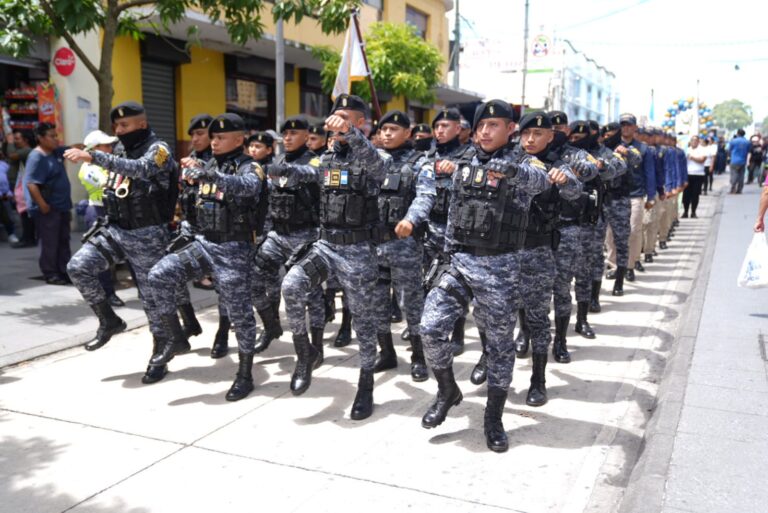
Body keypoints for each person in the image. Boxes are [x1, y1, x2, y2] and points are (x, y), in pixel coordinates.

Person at [419, 100, 554, 452]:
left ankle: (493, 416)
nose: (485, 131)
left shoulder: (524, 162)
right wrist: (446, 254)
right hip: (459, 261)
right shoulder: (463, 161)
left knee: (498, 346)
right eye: (481, 125)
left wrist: (510, 173)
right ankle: (448, 389)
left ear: (511, 130)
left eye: (494, 125)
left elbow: (541, 182)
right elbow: (454, 213)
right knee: (430, 327)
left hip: (500, 269)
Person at [280, 94, 390, 421]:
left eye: (344, 117)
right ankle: (305, 353)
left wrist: (351, 136)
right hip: (326, 246)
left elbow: (379, 169)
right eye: (334, 117)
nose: (335, 122)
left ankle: (366, 383)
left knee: (363, 321)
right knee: (291, 286)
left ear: (360, 123)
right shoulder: (327, 157)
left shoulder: (375, 154)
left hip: (358, 251)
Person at [148, 113, 268, 401]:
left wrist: (210, 175)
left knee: (240, 314)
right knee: (158, 275)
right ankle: (176, 338)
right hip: (202, 243)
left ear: (239, 140)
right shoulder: (208, 164)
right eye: (212, 137)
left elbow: (249, 187)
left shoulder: (250, 167)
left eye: (221, 137)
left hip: (233, 250)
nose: (214, 142)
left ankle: (245, 374)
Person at [64, 101, 179, 385]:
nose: (119, 130)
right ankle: (109, 320)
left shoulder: (160, 150)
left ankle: (160, 352)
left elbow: (141, 169)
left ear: (141, 123)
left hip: (147, 234)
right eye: (116, 126)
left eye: (124, 125)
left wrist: (93, 158)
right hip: (115, 229)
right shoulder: (119, 150)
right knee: (78, 267)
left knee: (151, 299)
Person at [508, 112, 582, 407]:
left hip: (539, 249)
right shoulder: (509, 159)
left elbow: (576, 189)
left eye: (538, 134)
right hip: (505, 249)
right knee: (499, 313)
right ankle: (492, 360)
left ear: (551, 136)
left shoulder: (559, 165)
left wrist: (564, 181)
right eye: (526, 133)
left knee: (539, 316)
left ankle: (538, 380)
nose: (530, 139)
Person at [251, 115, 326, 359]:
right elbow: (271, 200)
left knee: (311, 293)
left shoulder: (316, 160)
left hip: (305, 234)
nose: (289, 138)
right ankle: (271, 324)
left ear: (306, 136)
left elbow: (313, 173)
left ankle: (316, 346)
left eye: (294, 133)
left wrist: (286, 169)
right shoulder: (279, 160)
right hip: (277, 234)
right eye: (285, 134)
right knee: (252, 275)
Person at [370, 109, 435, 382]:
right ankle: (386, 352)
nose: (387, 134)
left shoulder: (421, 162)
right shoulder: (374, 161)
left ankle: (419, 357)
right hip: (374, 244)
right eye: (384, 129)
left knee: (411, 303)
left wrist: (411, 219)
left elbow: (426, 195)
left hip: (404, 244)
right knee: (376, 302)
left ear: (408, 133)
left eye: (394, 129)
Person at [605, 114, 654, 291]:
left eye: (628, 125)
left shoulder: (642, 148)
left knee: (633, 230)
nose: (625, 128)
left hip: (635, 194)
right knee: (610, 233)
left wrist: (652, 195)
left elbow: (649, 172)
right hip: (612, 196)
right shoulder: (609, 146)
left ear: (635, 128)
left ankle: (630, 265)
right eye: (622, 125)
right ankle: (613, 265)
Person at [77, 129, 124, 306]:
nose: (110, 148)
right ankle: (106, 294)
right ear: (94, 149)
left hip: (112, 212)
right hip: (98, 212)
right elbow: (110, 184)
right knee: (101, 256)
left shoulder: (109, 163)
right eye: (106, 145)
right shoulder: (88, 168)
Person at [25, 123, 72, 285]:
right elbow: (31, 184)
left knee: (63, 241)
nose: (55, 139)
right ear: (40, 138)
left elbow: (72, 148)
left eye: (55, 135)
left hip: (62, 206)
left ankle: (64, 271)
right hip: (48, 208)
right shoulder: (36, 157)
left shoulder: (56, 152)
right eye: (51, 136)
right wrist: (42, 204)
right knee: (50, 243)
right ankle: (51, 273)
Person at [8, 129, 36, 248]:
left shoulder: (27, 150)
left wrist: (9, 143)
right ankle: (27, 237)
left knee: (26, 213)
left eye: (17, 139)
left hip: (25, 186)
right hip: (21, 185)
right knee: (24, 213)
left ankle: (28, 239)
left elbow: (11, 155)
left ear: (26, 140)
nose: (15, 141)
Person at [682, 136, 707, 218]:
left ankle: (693, 212)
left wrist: (692, 157)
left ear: (698, 141)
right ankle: (685, 212)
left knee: (695, 194)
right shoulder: (687, 149)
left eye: (695, 140)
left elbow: (702, 159)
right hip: (687, 174)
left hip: (698, 174)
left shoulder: (702, 149)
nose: (694, 142)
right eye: (692, 140)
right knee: (686, 195)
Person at [0, 149, 20, 244]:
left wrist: (8, 193)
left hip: (6, 195)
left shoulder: (3, 165)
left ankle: (11, 234)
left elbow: (9, 179)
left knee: (7, 216)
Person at [728, 129, 750, 194]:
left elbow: (729, 150)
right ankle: (739, 190)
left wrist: (729, 157)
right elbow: (748, 151)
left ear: (737, 133)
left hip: (734, 160)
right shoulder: (747, 142)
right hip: (743, 161)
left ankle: (733, 188)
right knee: (741, 176)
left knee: (734, 175)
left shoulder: (733, 141)